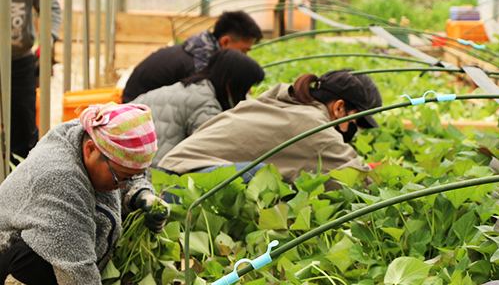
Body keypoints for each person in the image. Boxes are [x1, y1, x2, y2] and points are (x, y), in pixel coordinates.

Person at [0, 103, 169, 285]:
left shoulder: (95, 139)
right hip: (12, 276)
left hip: (55, 267)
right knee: (40, 261)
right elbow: (78, 274)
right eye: (121, 178)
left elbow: (130, 171)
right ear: (90, 150)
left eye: (130, 178)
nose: (122, 185)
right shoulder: (59, 179)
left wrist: (141, 193)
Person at [158, 70, 383, 184]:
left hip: (166, 174)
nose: (349, 130)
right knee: (262, 177)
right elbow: (354, 179)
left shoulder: (280, 101)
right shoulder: (312, 124)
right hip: (182, 186)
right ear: (339, 107)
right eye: (352, 122)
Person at [133, 49, 265, 168]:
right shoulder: (206, 106)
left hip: (128, 165)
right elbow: (211, 156)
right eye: (247, 86)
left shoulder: (192, 87)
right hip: (148, 178)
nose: (250, 92)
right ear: (230, 83)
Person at [121, 11, 263, 103]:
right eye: (244, 51)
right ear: (225, 42)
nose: (244, 56)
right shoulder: (198, 66)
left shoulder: (198, 51)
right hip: (137, 117)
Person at [10, 0, 62, 161]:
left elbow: (51, 8)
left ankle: (20, 174)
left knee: (23, 122)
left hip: (20, 60)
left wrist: (46, 43)